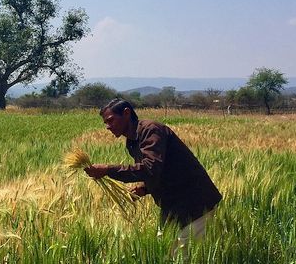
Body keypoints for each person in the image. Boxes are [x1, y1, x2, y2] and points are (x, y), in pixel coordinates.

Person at [84, 98, 222, 258]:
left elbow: (151, 168)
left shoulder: (151, 130)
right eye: (105, 123)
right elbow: (163, 169)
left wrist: (108, 170)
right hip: (172, 207)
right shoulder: (132, 141)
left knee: (184, 256)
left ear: (126, 113)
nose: (108, 126)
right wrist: (145, 188)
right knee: (167, 253)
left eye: (110, 120)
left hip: (195, 204)